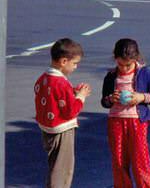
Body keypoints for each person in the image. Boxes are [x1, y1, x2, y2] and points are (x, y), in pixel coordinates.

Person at [101, 39, 150, 187]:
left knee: (140, 160)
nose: (124, 68)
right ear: (115, 59)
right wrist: (110, 99)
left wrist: (141, 97)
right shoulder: (111, 76)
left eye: (128, 65)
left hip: (137, 121)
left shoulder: (145, 73)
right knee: (119, 161)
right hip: (116, 121)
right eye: (120, 64)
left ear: (136, 59)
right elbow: (104, 102)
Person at [34, 38, 92, 188]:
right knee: (62, 169)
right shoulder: (62, 83)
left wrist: (71, 92)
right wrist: (81, 96)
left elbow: (51, 96)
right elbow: (71, 111)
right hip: (62, 130)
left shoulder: (44, 78)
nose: (76, 67)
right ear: (64, 61)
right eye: (74, 63)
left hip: (47, 127)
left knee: (54, 164)